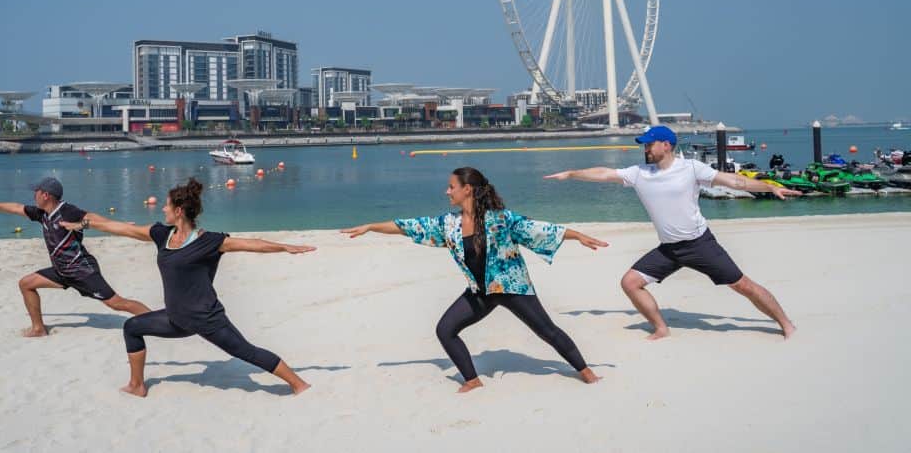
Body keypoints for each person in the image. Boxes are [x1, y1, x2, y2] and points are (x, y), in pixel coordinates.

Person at [342, 166, 607, 393]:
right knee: (445, 330)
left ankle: (586, 372)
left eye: (451, 187)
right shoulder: (449, 224)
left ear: (467, 189)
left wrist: (579, 236)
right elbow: (409, 226)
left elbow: (541, 229)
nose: (447, 192)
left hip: (511, 286)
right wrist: (371, 226)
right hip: (480, 291)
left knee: (547, 331)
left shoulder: (501, 219)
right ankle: (472, 381)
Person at [59, 178, 314, 397]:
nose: (162, 208)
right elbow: (123, 228)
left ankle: (299, 384)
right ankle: (137, 385)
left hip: (207, 319)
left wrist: (284, 247)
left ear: (179, 211)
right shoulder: (162, 235)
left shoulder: (210, 241)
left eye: (167, 205)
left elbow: (250, 244)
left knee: (246, 351)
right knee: (132, 327)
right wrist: (84, 225)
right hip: (176, 319)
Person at [545, 125, 799, 340]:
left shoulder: (691, 168)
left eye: (649, 144)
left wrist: (769, 187)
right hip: (669, 249)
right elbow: (603, 173)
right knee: (630, 283)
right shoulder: (640, 173)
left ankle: (786, 324)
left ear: (666, 145)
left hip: (700, 245)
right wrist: (571, 174)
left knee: (743, 286)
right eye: (644, 145)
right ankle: (661, 328)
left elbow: (736, 182)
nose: (645, 149)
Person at [0, 177, 149, 337]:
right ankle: (38, 329)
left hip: (82, 271)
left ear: (46, 195)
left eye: (36, 192)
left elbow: (92, 218)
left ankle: (157, 320)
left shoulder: (67, 211)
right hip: (61, 272)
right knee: (26, 284)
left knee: (117, 303)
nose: (33, 195)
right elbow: (15, 208)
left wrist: (118, 224)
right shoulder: (41, 214)